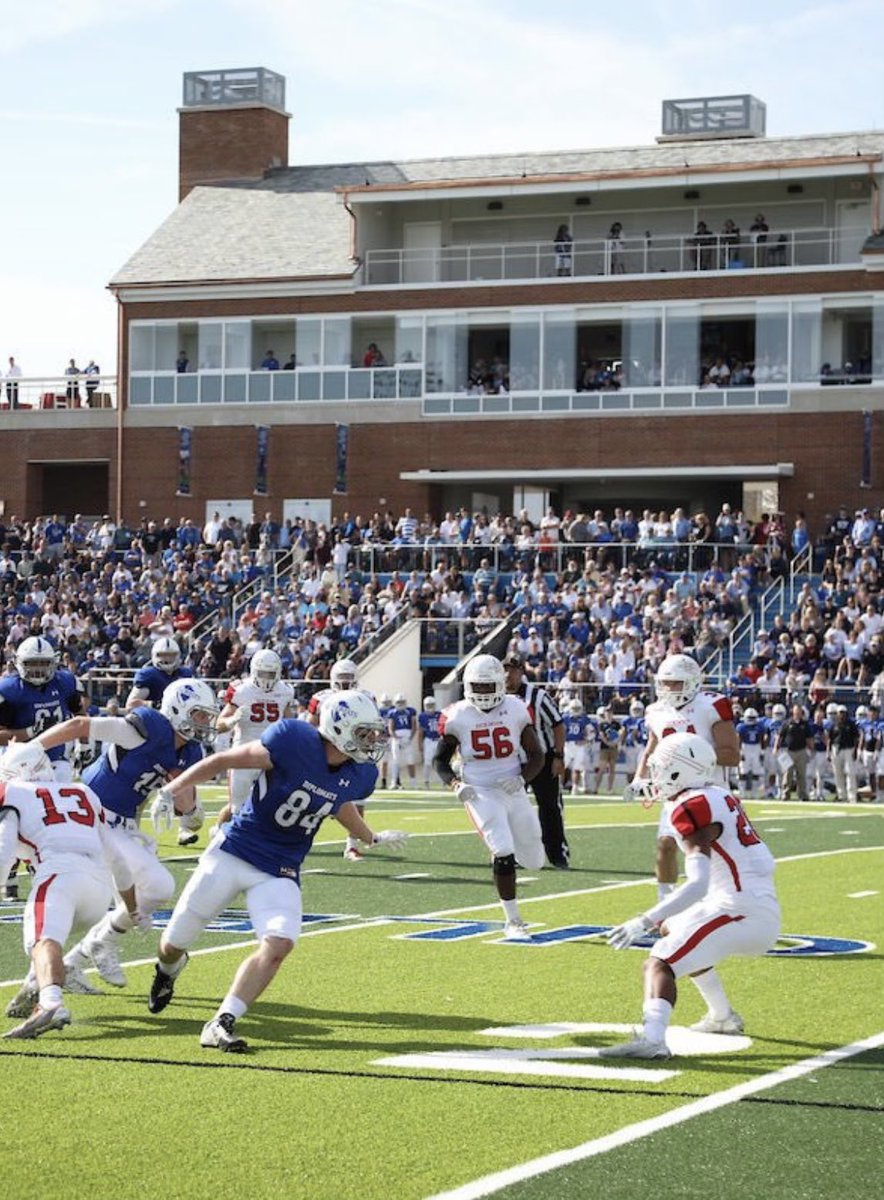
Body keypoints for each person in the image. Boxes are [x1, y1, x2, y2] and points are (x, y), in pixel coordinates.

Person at [145, 690, 405, 1052]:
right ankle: (168, 970)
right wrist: (172, 790)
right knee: (172, 944)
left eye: (372, 733)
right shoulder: (293, 742)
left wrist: (370, 837)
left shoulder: (358, 773)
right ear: (338, 729)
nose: (372, 741)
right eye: (364, 733)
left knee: (280, 942)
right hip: (234, 852)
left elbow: (337, 804)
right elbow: (222, 761)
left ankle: (221, 1021)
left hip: (280, 869)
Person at [600, 733, 780, 1059]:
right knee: (673, 927)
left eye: (661, 769)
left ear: (679, 771)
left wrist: (642, 921)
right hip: (748, 903)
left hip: (741, 910)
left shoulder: (693, 806)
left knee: (659, 962)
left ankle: (653, 1040)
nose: (655, 776)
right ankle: (722, 1016)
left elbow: (697, 884)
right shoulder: (713, 793)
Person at [35, 678, 219, 989]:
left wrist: (183, 796)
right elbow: (80, 724)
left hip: (120, 825)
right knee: (125, 891)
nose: (204, 723)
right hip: (88, 814)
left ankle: (75, 961)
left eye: (206, 716)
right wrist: (31, 748)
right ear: (178, 709)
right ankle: (70, 963)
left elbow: (187, 811)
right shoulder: (145, 728)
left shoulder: (189, 751)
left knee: (143, 890)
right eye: (199, 714)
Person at [0, 743, 114, 1039]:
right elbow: (113, 849)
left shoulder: (13, 792)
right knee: (46, 938)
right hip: (100, 892)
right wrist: (128, 902)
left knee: (42, 939)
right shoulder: (84, 792)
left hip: (60, 877)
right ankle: (32, 985)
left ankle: (51, 1003)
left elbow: (4, 848)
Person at [435, 655, 545, 939]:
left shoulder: (517, 708)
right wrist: (456, 784)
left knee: (534, 857)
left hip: (513, 787)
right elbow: (440, 762)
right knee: (503, 849)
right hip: (480, 790)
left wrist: (521, 777)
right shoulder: (457, 715)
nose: (483, 693)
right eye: (477, 686)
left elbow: (537, 755)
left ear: (500, 684)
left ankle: (514, 854)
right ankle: (514, 921)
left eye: (488, 686)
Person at [627, 654, 740, 904]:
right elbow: (651, 748)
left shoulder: (711, 705)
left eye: (675, 682)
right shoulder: (656, 711)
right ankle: (666, 904)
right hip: (675, 792)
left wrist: (689, 758)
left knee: (715, 854)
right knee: (666, 845)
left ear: (692, 681)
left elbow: (732, 754)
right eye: (665, 683)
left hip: (711, 791)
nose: (668, 689)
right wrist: (639, 778)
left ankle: (723, 903)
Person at [0, 635, 85, 901]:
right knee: (14, 817)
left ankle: (49, 871)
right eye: (32, 664)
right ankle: (11, 871)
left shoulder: (66, 681)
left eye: (43, 664)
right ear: (19, 664)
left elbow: (81, 713)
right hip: (19, 762)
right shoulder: (8, 688)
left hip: (56, 759)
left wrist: (84, 742)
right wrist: (26, 732)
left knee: (53, 820)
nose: (38, 670)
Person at [125, 635, 197, 846]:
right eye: (162, 656)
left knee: (183, 779)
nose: (166, 661)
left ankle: (184, 828)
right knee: (141, 788)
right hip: (155, 735)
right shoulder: (149, 675)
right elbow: (132, 703)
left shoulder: (185, 674)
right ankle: (131, 830)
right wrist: (158, 709)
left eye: (170, 656)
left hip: (180, 734)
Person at [213, 649, 296, 829]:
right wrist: (231, 721)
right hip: (243, 751)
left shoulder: (285, 691)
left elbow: (290, 723)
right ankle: (218, 835)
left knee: (273, 804)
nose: (266, 678)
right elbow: (219, 724)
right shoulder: (241, 690)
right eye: (263, 673)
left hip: (271, 754)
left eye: (270, 673)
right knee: (236, 806)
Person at [503, 651, 569, 868]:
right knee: (510, 809)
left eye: (512, 670)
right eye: (504, 669)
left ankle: (557, 854)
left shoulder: (538, 696)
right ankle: (512, 854)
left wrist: (558, 756)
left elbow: (558, 725)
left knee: (549, 807)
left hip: (542, 760)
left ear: (521, 671)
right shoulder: (497, 697)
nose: (507, 675)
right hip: (513, 762)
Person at [305, 658, 373, 860]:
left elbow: (371, 727)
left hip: (353, 751)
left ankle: (352, 845)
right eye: (341, 679)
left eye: (349, 679)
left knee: (357, 798)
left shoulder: (365, 698)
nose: (345, 684)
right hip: (328, 753)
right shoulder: (321, 698)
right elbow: (311, 726)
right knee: (313, 797)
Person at [773, 703, 813, 801]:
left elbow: (809, 738)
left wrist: (811, 748)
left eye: (799, 712)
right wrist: (776, 747)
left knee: (801, 774)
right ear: (793, 712)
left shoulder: (805, 724)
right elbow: (780, 736)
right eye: (796, 712)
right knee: (788, 774)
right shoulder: (787, 723)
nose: (798, 714)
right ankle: (785, 794)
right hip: (789, 751)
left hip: (801, 751)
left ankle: (802, 795)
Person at [826, 704, 859, 802]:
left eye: (843, 713)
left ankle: (852, 796)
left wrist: (855, 750)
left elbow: (856, 738)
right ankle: (841, 795)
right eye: (840, 713)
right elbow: (830, 739)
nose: (841, 715)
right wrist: (828, 751)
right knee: (837, 773)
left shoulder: (851, 724)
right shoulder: (834, 725)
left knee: (850, 773)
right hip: (836, 749)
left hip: (848, 749)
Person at [388, 692, 418, 789]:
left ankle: (413, 783)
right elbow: (390, 728)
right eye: (398, 702)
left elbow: (414, 726)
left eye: (402, 701)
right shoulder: (392, 712)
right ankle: (394, 782)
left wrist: (409, 738)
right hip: (396, 738)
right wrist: (396, 738)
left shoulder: (410, 711)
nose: (400, 704)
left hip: (407, 737)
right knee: (395, 761)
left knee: (410, 761)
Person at [417, 695, 442, 788]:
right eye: (428, 705)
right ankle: (426, 782)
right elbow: (420, 731)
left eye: (432, 704)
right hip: (428, 740)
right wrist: (419, 744)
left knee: (440, 762)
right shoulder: (422, 716)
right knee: (427, 763)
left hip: (439, 740)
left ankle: (443, 782)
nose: (430, 707)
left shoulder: (440, 714)